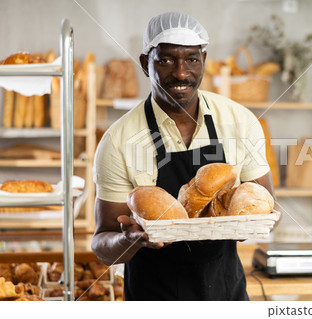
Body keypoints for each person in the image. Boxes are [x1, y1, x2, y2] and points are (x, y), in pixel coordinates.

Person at [91, 11, 277, 301]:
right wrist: (129, 240)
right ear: (145, 64)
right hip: (153, 295)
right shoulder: (118, 140)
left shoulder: (240, 121)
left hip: (225, 294)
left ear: (204, 60)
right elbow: (103, 245)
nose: (180, 72)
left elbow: (267, 206)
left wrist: (245, 223)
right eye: (165, 60)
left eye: (191, 59)